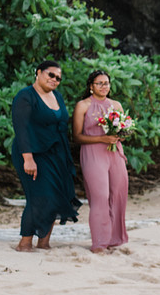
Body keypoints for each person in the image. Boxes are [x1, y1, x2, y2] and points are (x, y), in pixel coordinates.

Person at [11, 60, 81, 252]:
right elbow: (21, 128)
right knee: (40, 196)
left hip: (56, 154)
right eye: (51, 75)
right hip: (33, 153)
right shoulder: (25, 96)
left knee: (57, 195)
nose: (55, 80)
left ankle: (44, 241)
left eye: (58, 78)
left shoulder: (57, 96)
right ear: (39, 72)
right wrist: (28, 158)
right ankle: (25, 242)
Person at [72, 69, 129, 253]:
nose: (104, 86)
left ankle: (114, 240)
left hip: (114, 154)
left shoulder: (116, 105)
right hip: (93, 154)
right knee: (100, 197)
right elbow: (77, 137)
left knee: (118, 195)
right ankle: (99, 243)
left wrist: (121, 133)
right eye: (100, 83)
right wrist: (101, 139)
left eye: (107, 83)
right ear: (91, 86)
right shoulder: (83, 106)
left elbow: (124, 132)